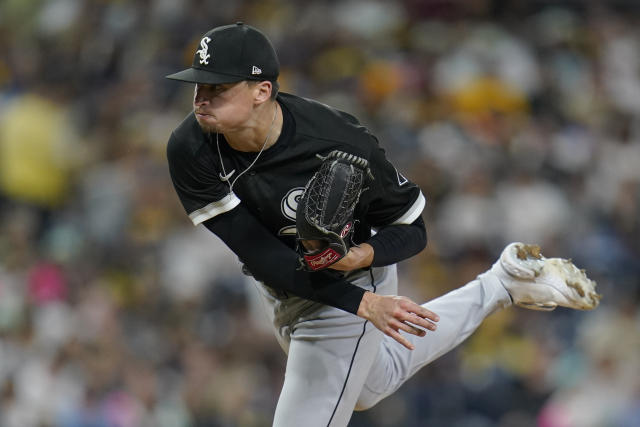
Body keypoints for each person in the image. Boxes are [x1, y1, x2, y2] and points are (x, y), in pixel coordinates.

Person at [165, 22, 600, 427]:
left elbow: (413, 228)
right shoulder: (190, 148)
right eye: (199, 84)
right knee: (372, 383)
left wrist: (363, 268)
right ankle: (501, 284)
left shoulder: (339, 142)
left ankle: (498, 285)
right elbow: (259, 254)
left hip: (352, 276)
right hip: (285, 281)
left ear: (262, 91)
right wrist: (360, 306)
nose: (201, 97)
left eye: (218, 87)